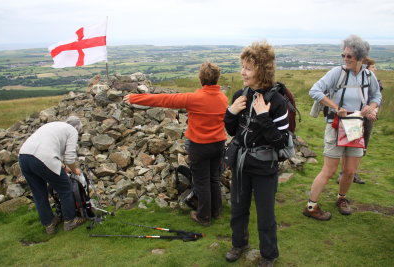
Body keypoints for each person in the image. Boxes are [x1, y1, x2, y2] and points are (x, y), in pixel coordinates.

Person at [123, 62, 228, 226]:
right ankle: (217, 212)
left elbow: (163, 99)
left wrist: (135, 98)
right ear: (217, 79)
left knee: (201, 181)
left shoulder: (194, 98)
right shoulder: (223, 98)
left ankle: (204, 217)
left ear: (201, 79)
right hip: (219, 144)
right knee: (213, 178)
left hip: (200, 146)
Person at [223, 41, 289, 267]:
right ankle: (238, 244)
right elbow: (232, 131)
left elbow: (281, 142)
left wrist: (263, 117)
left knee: (265, 215)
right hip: (241, 164)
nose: (242, 72)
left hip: (264, 168)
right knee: (238, 208)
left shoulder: (277, 102)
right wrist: (231, 112)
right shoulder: (241, 94)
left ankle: (269, 255)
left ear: (262, 69)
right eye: (242, 66)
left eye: (248, 68)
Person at [303, 35, 382, 221]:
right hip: (336, 125)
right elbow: (314, 90)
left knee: (350, 171)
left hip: (356, 126)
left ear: (361, 59)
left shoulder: (369, 76)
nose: (345, 59)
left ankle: (342, 198)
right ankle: (311, 206)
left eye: (349, 56)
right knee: (329, 170)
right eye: (343, 55)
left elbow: (377, 96)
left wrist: (370, 107)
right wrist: (336, 107)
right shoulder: (336, 73)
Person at [19, 116, 86, 234]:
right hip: (43, 159)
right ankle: (70, 221)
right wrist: (75, 170)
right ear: (77, 127)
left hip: (24, 156)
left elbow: (48, 148)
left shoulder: (53, 126)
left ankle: (49, 224)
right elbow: (69, 157)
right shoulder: (72, 131)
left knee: (39, 193)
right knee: (65, 188)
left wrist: (64, 168)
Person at [337, 57, 383, 185]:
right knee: (353, 144)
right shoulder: (361, 82)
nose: (375, 69)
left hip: (366, 117)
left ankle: (350, 172)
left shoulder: (373, 81)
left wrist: (373, 110)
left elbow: (377, 98)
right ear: (366, 68)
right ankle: (347, 173)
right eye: (373, 67)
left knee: (361, 145)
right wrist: (368, 111)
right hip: (358, 118)